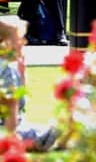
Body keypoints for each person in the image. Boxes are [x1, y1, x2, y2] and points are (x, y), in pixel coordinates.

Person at [0, 16, 58, 151]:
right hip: (7, 133)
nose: (24, 42)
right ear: (3, 42)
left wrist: (21, 72)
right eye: (20, 38)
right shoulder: (7, 70)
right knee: (55, 131)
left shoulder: (9, 68)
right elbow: (12, 118)